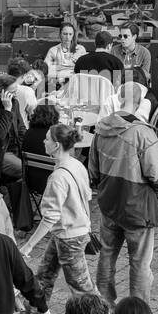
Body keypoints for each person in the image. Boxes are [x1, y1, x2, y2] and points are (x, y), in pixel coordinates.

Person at [89, 81, 158, 304]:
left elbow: (93, 171)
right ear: (140, 102)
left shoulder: (101, 129)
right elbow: (156, 174)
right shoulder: (143, 132)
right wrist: (154, 194)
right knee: (140, 262)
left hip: (109, 203)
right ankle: (138, 312)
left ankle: (105, 305)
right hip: (137, 206)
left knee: (106, 254)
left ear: (119, 99)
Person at [19, 121, 100, 304]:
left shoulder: (57, 178)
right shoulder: (77, 165)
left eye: (47, 138)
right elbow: (86, 197)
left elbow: (50, 218)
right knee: (43, 279)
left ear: (56, 145)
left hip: (69, 237)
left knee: (83, 291)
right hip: (68, 233)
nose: (43, 141)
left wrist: (29, 245)